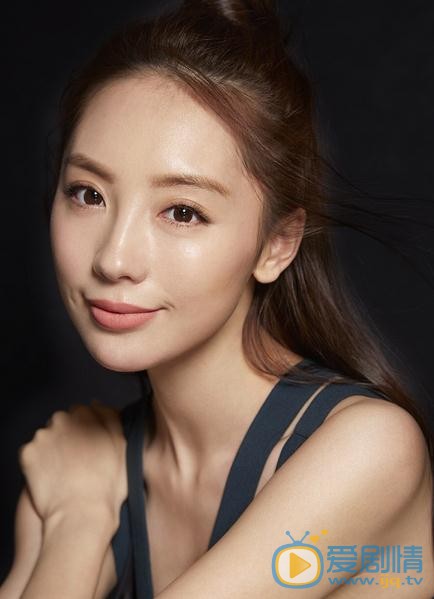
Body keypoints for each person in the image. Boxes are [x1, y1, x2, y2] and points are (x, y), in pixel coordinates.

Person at [1, 0, 433, 597]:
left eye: (182, 212)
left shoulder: (366, 449)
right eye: (88, 194)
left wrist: (78, 519)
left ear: (277, 245)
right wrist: (80, 508)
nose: (113, 259)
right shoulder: (78, 464)